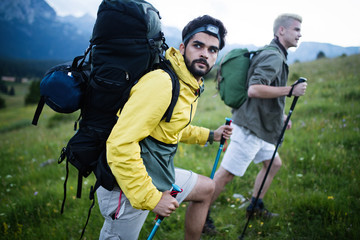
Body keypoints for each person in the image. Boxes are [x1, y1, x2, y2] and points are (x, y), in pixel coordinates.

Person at [96, 15, 232, 240]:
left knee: (206, 189)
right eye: (198, 45)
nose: (205, 54)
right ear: (182, 47)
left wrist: (210, 135)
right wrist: (153, 198)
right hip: (127, 185)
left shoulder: (189, 84)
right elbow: (120, 143)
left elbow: (170, 127)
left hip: (158, 175)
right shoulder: (162, 83)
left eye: (212, 49)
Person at [204, 13, 308, 233]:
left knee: (274, 164)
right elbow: (254, 89)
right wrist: (291, 90)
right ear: (282, 31)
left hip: (262, 127)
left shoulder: (274, 53)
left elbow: (262, 92)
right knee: (226, 174)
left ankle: (255, 206)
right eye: (296, 29)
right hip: (249, 129)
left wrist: (279, 116)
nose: (300, 34)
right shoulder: (274, 57)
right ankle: (201, 216)